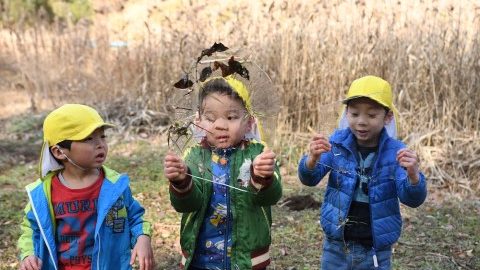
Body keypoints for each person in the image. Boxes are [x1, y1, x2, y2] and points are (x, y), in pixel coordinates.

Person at [298, 75, 427, 269]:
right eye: (355, 113)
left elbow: (413, 199)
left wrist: (413, 176)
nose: (361, 122)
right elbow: (309, 178)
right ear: (346, 113)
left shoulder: (397, 153)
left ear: (388, 117)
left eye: (372, 115)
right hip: (336, 247)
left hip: (376, 251)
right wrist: (312, 159)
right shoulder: (336, 144)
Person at [164, 74, 282, 269]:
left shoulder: (258, 154)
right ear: (198, 121)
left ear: (248, 121)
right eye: (210, 118)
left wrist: (263, 177)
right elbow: (187, 205)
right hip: (202, 259)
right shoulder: (193, 157)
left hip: (245, 260)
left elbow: (270, 197)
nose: (220, 125)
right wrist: (181, 181)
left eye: (231, 117)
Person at [17, 104, 154, 270]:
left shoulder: (114, 186)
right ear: (59, 152)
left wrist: (142, 237)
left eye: (102, 137)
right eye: (88, 139)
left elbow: (135, 217)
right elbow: (31, 229)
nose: (100, 144)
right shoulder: (43, 194)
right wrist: (28, 253)